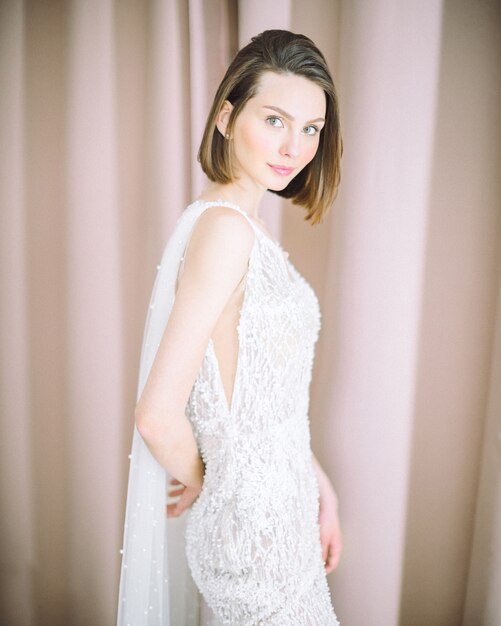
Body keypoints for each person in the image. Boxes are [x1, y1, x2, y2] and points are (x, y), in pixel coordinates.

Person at [118, 29, 343, 626]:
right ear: (226, 117)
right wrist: (215, 481)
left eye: (311, 128)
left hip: (281, 510)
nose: (293, 146)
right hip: (257, 526)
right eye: (274, 120)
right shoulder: (226, 232)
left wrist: (320, 487)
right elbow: (156, 414)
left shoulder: (244, 228)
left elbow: (266, 403)